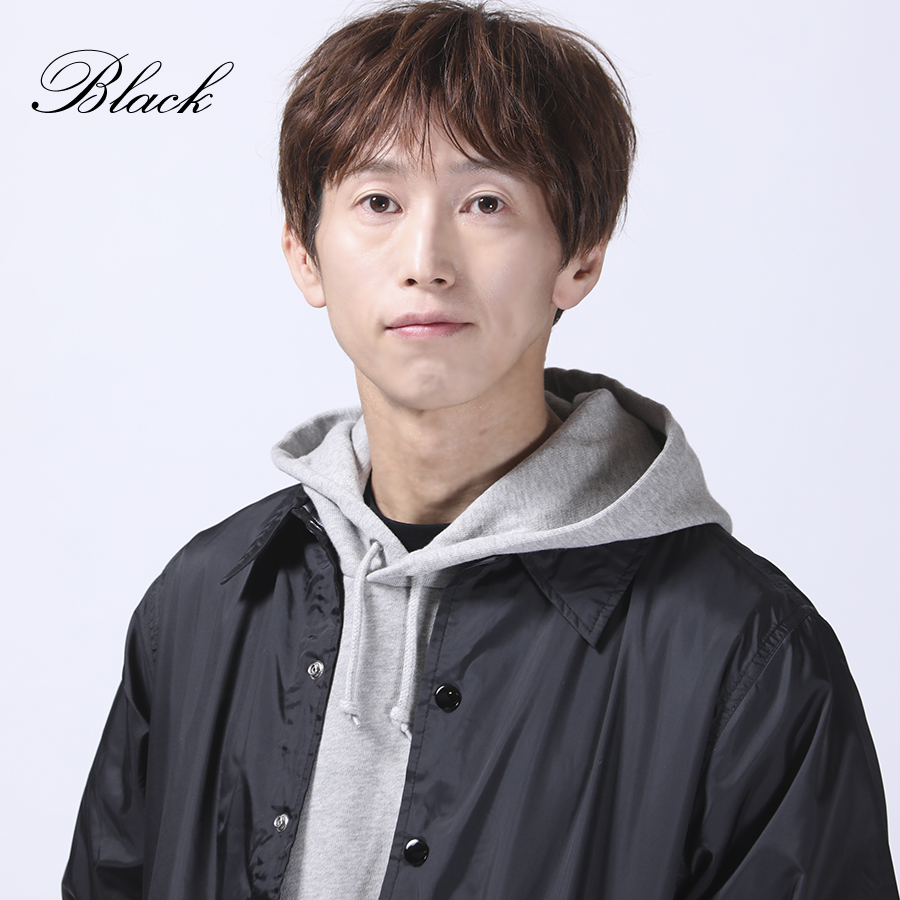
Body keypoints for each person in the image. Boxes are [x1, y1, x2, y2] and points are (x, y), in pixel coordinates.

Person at [63, 2, 899, 898]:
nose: (426, 259)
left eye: (486, 203)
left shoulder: (747, 654)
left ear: (580, 256)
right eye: (378, 202)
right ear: (304, 254)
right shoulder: (205, 601)